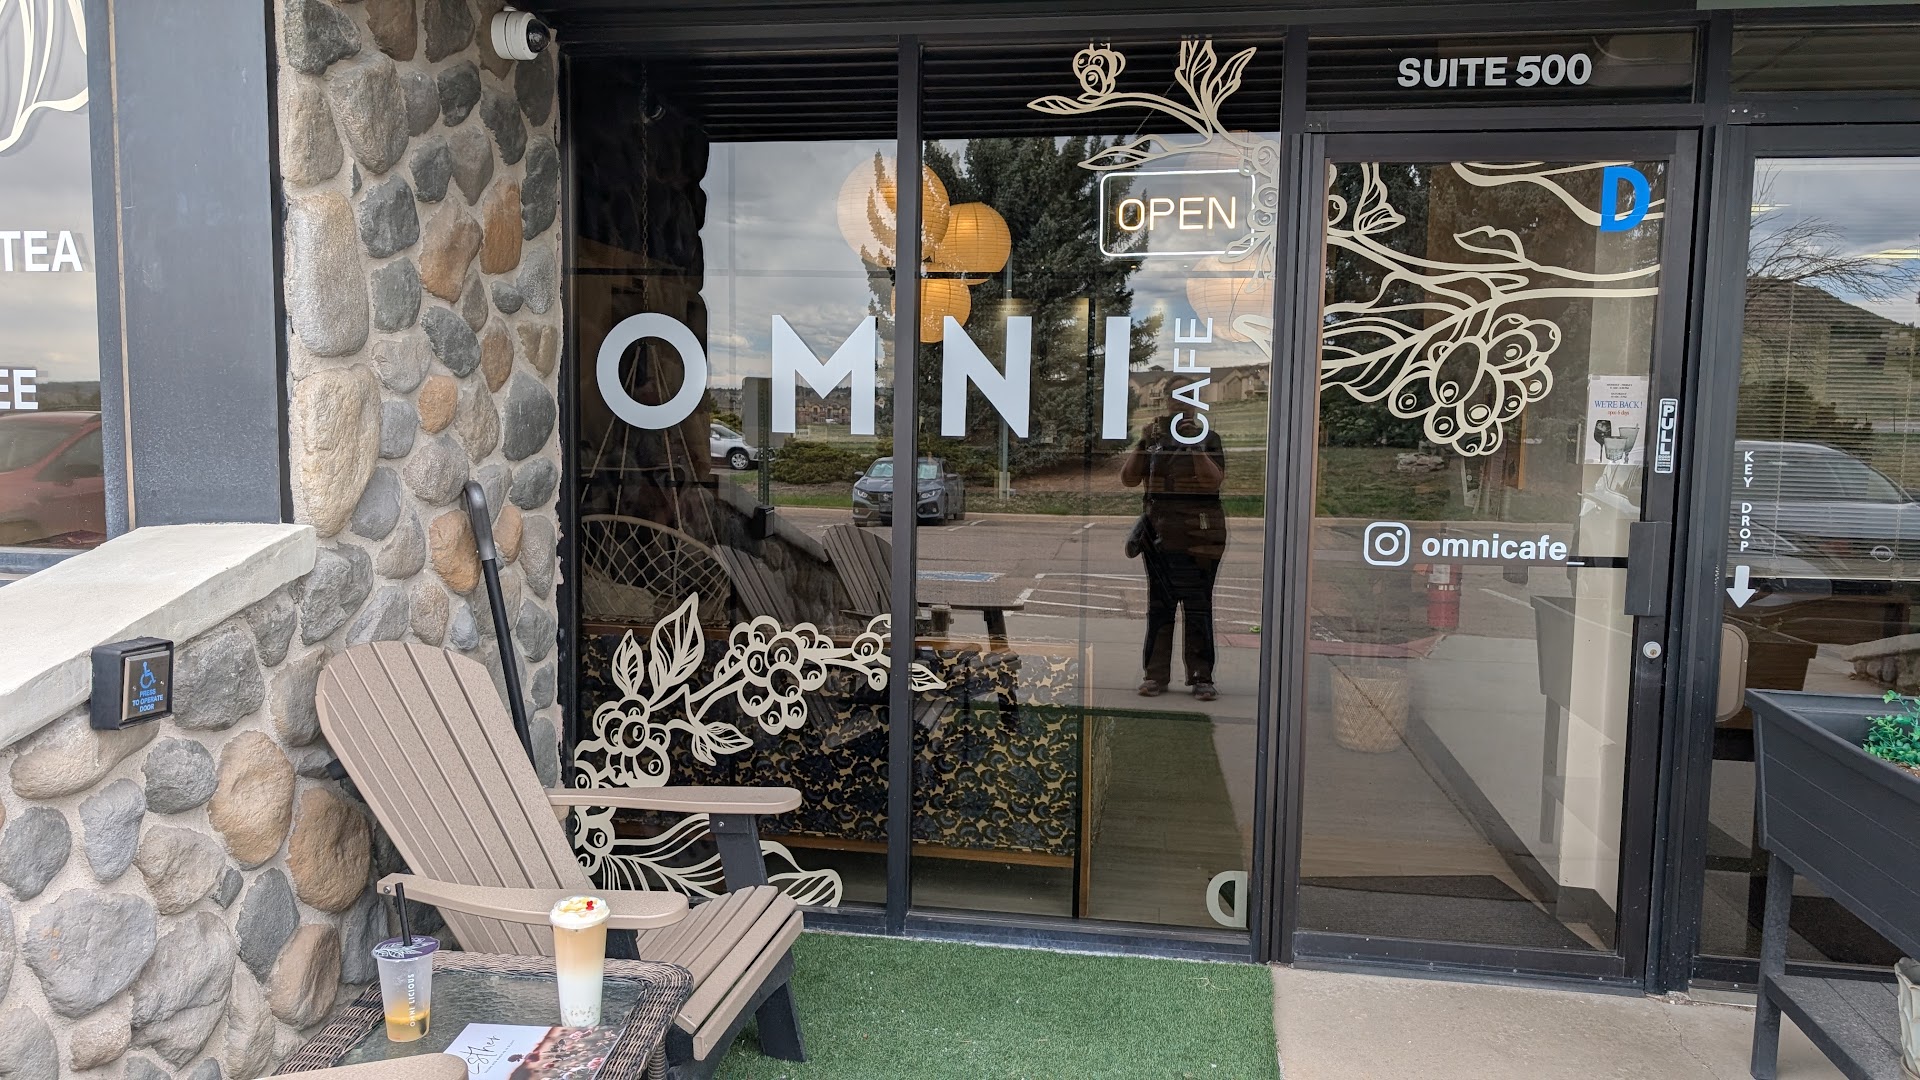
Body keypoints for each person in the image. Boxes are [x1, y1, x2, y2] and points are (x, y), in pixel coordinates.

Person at [1121, 407, 1227, 701]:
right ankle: (1155, 675)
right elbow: (1129, 479)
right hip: (1159, 535)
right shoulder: (1155, 442)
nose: (1180, 411)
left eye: (1186, 403)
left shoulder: (1209, 439)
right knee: (1159, 607)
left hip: (1201, 535)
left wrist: (1194, 446)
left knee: (1198, 607)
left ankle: (1201, 677)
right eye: (1174, 402)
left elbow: (1212, 481)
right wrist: (1142, 444)